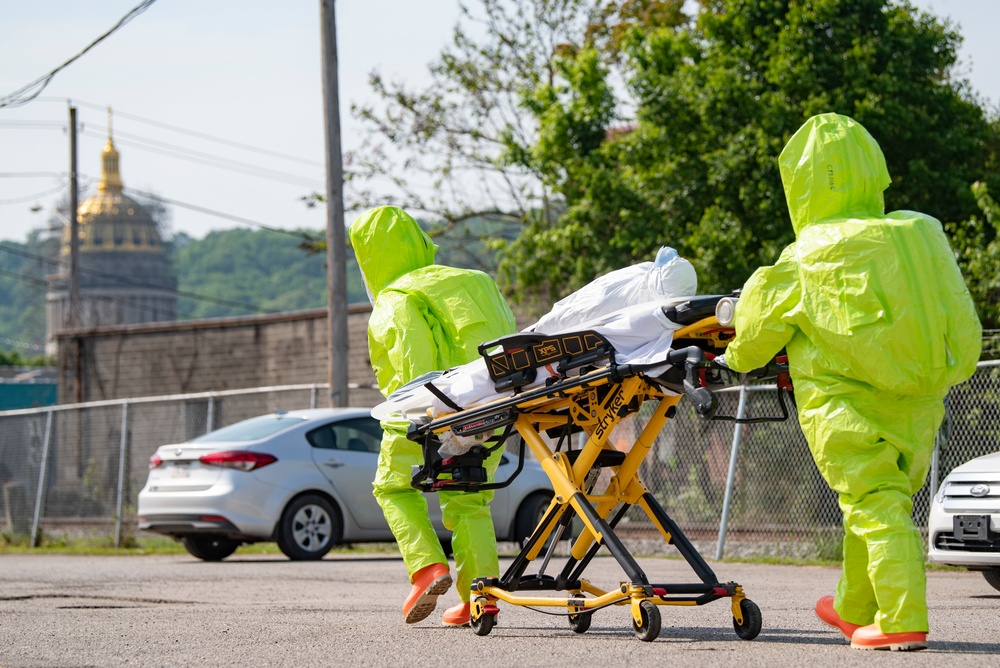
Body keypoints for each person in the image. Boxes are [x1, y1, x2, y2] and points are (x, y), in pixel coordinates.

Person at [720, 113, 981, 651]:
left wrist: (730, 350)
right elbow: (960, 316)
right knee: (878, 502)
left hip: (846, 410)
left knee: (876, 506)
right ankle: (853, 605)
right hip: (922, 401)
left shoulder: (806, 257)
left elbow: (751, 346)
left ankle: (901, 619)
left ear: (804, 185)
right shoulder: (921, 233)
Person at [349, 205, 517, 627]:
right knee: (469, 501)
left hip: (430, 412)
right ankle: (480, 599)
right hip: (495, 410)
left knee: (391, 487)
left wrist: (423, 417)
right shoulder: (475, 281)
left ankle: (427, 568)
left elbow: (413, 369)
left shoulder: (395, 298)